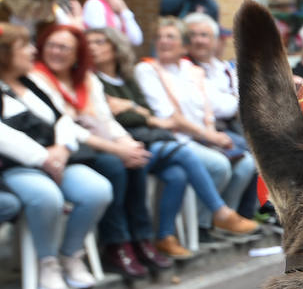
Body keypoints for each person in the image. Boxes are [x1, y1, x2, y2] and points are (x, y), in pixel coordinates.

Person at [88, 26, 247, 261]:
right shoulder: (97, 79)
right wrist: (139, 112)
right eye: (88, 43)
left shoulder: (126, 78)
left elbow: (145, 112)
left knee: (177, 174)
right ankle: (218, 211)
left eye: (99, 41)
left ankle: (163, 236)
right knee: (187, 155)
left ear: (115, 47)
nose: (92, 47)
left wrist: (133, 109)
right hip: (125, 143)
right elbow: (126, 117)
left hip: (147, 139)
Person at [29, 23, 159, 281]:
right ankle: (116, 243)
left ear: (77, 53)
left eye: (64, 47)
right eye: (52, 45)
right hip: (69, 149)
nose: (56, 52)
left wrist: (128, 143)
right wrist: (118, 150)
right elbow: (66, 125)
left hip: (95, 142)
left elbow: (105, 118)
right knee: (114, 166)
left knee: (138, 160)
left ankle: (139, 237)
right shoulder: (37, 78)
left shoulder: (87, 79)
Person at [0, 24, 112, 289]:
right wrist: (44, 159)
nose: (33, 51)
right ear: (5, 54)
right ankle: (46, 262)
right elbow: (4, 136)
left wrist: (61, 150)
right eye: (25, 46)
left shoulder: (30, 83)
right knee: (46, 195)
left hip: (58, 161)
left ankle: (70, 254)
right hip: (18, 167)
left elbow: (62, 118)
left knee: (98, 190)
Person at [134, 18, 259, 244]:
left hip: (201, 136)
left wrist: (213, 134)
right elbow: (170, 116)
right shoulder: (147, 69)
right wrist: (210, 136)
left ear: (183, 45)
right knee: (219, 165)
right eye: (159, 37)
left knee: (246, 164)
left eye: (170, 37)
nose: (163, 41)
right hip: (176, 138)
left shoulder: (190, 70)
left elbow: (206, 107)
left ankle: (213, 222)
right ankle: (207, 222)